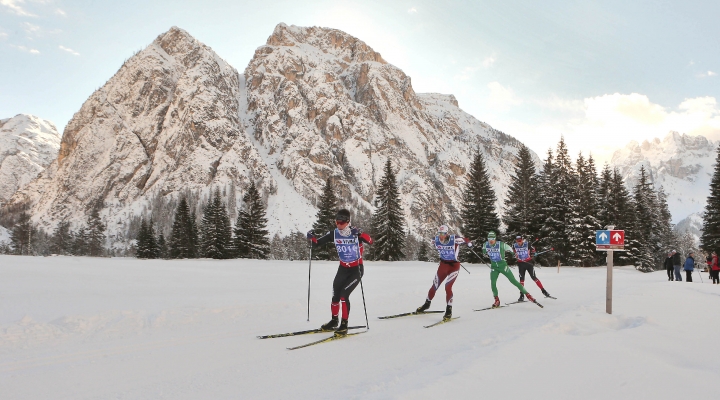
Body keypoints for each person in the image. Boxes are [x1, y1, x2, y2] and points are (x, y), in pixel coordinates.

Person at [307, 208, 373, 336]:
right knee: (335, 296)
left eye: (342, 223)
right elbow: (317, 243)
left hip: (356, 270)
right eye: (337, 222)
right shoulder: (334, 233)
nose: (339, 225)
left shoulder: (355, 233)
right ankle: (334, 321)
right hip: (343, 269)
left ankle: (344, 325)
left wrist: (360, 234)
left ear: (348, 222)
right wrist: (311, 238)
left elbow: (369, 241)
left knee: (344, 295)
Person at [415, 225, 472, 321]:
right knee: (434, 286)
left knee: (448, 287)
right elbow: (432, 242)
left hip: (454, 266)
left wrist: (469, 244)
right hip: (443, 266)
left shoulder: (455, 239)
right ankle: (427, 304)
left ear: (447, 234)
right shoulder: (435, 240)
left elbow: (465, 240)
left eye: (444, 234)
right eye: (440, 234)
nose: (441, 236)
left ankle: (449, 311)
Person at [482, 231, 538, 308]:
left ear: (495, 239)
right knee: (493, 282)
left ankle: (528, 295)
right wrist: (484, 253)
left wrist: (514, 254)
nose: (490, 240)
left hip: (503, 266)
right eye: (489, 238)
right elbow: (484, 251)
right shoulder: (486, 244)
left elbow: (510, 249)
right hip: (494, 267)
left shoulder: (501, 244)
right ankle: (497, 300)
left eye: (492, 238)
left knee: (513, 281)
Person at [512, 235, 551, 301]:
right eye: (518, 241)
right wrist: (514, 255)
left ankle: (544, 291)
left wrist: (533, 253)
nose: (519, 242)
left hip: (528, 263)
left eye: (520, 240)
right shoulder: (514, 246)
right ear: (516, 241)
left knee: (534, 277)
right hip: (521, 264)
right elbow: (513, 252)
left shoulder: (527, 244)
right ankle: (521, 295)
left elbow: (533, 250)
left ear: (522, 240)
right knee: (521, 279)